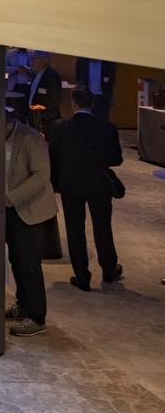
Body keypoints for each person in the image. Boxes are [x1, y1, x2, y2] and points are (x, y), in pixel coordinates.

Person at [49, 86, 124, 290]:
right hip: (99, 184)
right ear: (92, 104)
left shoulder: (60, 127)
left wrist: (56, 183)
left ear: (73, 103)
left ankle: (82, 276)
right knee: (102, 227)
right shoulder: (107, 128)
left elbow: (53, 158)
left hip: (70, 185)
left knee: (75, 229)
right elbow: (116, 159)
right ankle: (109, 270)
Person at [4, 111, 58, 337]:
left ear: (8, 122)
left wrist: (11, 197)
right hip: (10, 210)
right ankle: (22, 305)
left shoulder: (32, 138)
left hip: (31, 210)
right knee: (16, 258)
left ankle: (37, 317)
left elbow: (41, 175)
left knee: (29, 263)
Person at [25, 52, 62, 132]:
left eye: (35, 58)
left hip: (45, 123)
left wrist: (44, 119)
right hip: (34, 118)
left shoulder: (51, 76)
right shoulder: (36, 74)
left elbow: (54, 101)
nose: (32, 62)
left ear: (45, 60)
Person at [76, 57, 116, 122]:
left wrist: (111, 97)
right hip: (85, 97)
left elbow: (112, 81)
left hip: (102, 98)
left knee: (102, 122)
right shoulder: (81, 60)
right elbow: (78, 79)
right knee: (86, 122)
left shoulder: (108, 62)